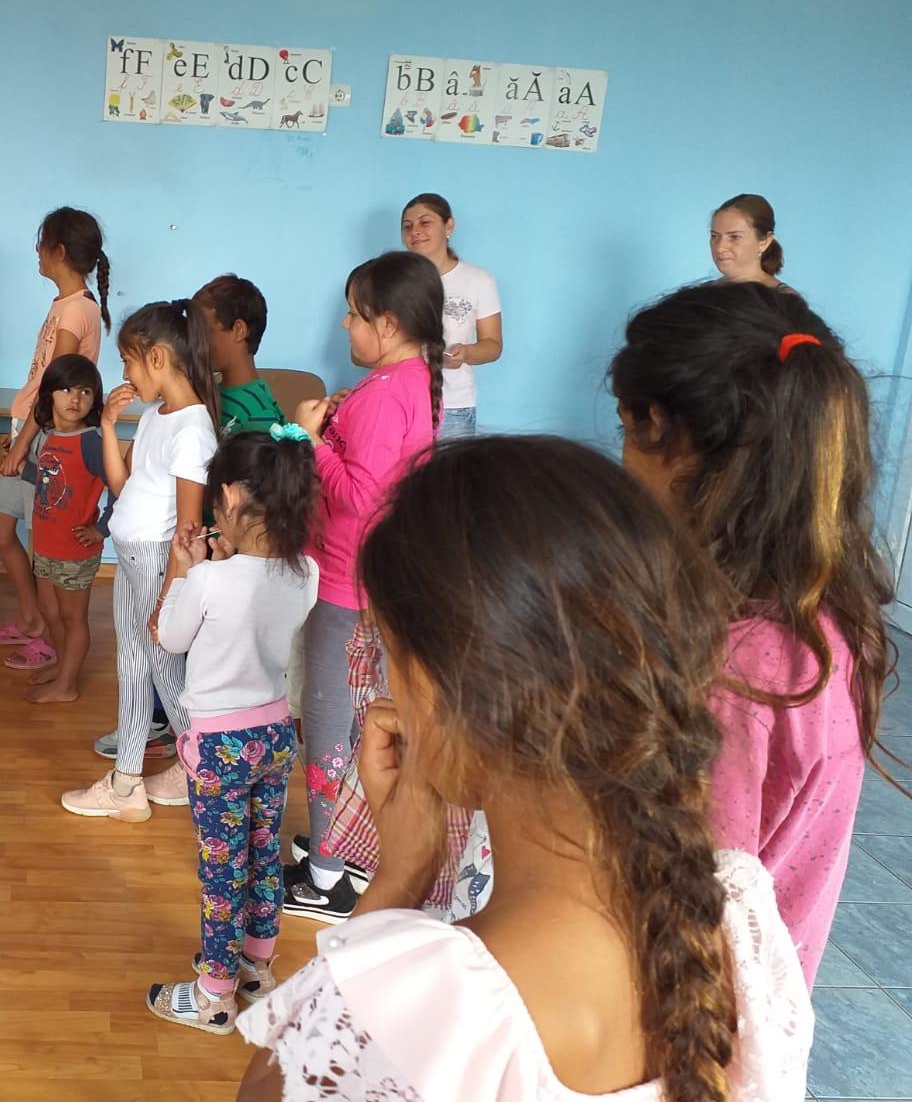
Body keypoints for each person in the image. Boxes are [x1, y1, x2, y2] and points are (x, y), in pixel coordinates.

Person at [237, 436, 812, 1101]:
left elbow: (276, 1085)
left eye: (390, 658)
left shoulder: (432, 1004)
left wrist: (396, 882)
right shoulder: (738, 919)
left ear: (447, 697)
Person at [612, 281, 901, 985]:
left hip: (696, 1018)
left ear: (668, 436)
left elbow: (686, 906)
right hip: (765, 999)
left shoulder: (736, 676)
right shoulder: (821, 616)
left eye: (626, 430)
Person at [283, 251, 442, 923]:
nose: (344, 325)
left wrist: (309, 437)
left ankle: (325, 877)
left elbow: (358, 494)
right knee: (351, 719)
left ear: (388, 323)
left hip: (344, 583)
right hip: (368, 579)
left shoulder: (382, 393)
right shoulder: (408, 380)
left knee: (327, 725)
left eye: (352, 314)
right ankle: (342, 844)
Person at [144, 429, 319, 1035]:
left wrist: (183, 570)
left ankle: (214, 996)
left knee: (222, 872)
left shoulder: (209, 581)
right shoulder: (306, 573)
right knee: (264, 852)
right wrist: (219, 564)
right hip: (274, 733)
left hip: (220, 746)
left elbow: (168, 637)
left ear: (230, 499)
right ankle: (255, 967)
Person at [60, 301, 218, 821]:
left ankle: (198, 769)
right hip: (129, 556)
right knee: (135, 667)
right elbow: (122, 486)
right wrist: (109, 425)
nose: (125, 374)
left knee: (161, 670)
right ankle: (138, 781)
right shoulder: (156, 417)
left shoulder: (193, 429)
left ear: (157, 357)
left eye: (128, 361)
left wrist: (169, 598)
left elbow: (188, 530)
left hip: (156, 561)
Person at [0, 207, 111, 671]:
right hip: (30, 429)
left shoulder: (77, 309)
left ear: (58, 250)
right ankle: (32, 618)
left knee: (43, 544)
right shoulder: (66, 304)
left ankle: (47, 639)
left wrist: (22, 445)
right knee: (0, 528)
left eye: (41, 244)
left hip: (43, 438)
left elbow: (55, 387)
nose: (36, 252)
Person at [20, 354, 110, 703]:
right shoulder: (47, 436)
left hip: (75, 550)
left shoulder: (92, 442)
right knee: (50, 612)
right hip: (46, 544)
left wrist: (101, 529)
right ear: (50, 396)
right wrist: (19, 468)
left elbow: (121, 487)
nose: (76, 399)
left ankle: (67, 685)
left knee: (72, 618)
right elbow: (46, 477)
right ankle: (62, 667)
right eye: (67, 390)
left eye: (85, 392)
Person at [400, 193, 502, 438]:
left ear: (449, 226)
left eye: (425, 222)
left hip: (454, 406)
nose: (415, 231)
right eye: (407, 226)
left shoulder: (479, 280)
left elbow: (493, 345)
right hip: (400, 401)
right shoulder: (393, 280)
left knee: (451, 466)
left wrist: (466, 353)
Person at [192, 274, 284, 436]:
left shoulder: (258, 415)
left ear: (238, 331)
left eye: (205, 332)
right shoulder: (213, 394)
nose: (197, 342)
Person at [709, 194, 790, 291]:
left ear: (764, 242)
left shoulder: (783, 298)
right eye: (715, 236)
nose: (720, 248)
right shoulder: (701, 295)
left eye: (735, 237)